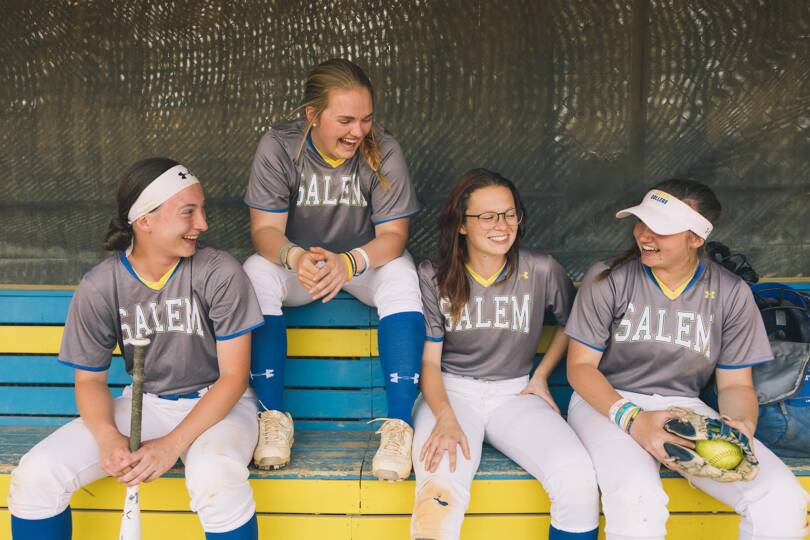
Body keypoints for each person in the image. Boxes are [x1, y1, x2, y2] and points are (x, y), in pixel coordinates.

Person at [8, 158, 264, 539]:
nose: (203, 224)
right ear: (145, 220)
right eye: (188, 213)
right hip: (149, 403)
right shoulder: (101, 285)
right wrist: (109, 438)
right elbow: (90, 381)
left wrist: (169, 447)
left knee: (215, 477)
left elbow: (233, 377)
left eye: (202, 210)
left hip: (221, 404)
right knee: (36, 475)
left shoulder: (219, 271)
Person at [565, 179, 809, 540]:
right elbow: (580, 368)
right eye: (641, 222)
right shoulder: (609, 278)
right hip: (606, 402)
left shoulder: (731, 292)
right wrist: (633, 420)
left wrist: (740, 424)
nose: (644, 235)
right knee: (638, 500)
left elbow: (735, 384)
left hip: (683, 409)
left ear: (696, 238)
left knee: (781, 499)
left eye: (660, 228)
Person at [242, 58, 424, 480]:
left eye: (365, 119)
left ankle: (399, 425)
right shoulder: (280, 144)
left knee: (401, 273)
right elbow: (264, 230)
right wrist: (296, 258)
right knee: (255, 272)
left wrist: (350, 262)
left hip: (361, 264)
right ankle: (271, 418)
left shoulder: (384, 147)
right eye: (345, 119)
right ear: (311, 115)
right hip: (301, 265)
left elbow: (394, 236)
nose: (357, 131)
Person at [410, 169, 600, 540]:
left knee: (577, 478)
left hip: (515, 394)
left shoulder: (541, 268)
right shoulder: (435, 274)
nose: (502, 225)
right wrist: (445, 418)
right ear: (461, 225)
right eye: (487, 216)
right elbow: (430, 363)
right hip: (451, 393)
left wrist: (541, 374)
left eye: (510, 213)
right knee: (439, 492)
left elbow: (571, 324)